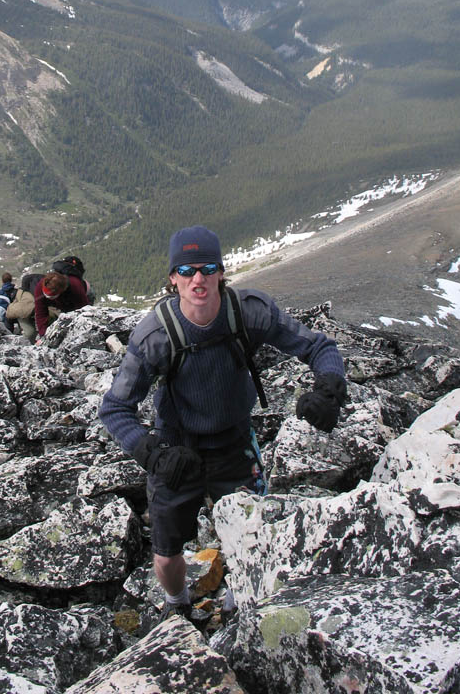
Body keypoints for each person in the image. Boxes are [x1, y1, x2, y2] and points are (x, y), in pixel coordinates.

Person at [98, 225, 347, 624]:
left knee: (255, 540)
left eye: (207, 267)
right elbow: (114, 408)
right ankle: (178, 604)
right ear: (173, 277)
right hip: (177, 450)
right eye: (187, 269)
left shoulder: (248, 312)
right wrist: (152, 452)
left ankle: (237, 603)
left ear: (220, 271)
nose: (198, 278)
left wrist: (330, 388)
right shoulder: (155, 336)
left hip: (234, 441)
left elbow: (319, 346)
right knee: (166, 550)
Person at [33, 270, 90, 341]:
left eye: (51, 296)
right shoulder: (40, 287)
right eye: (46, 295)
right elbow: (41, 313)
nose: (48, 297)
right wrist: (43, 335)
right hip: (61, 304)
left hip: (83, 296)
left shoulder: (75, 286)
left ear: (61, 291)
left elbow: (84, 312)